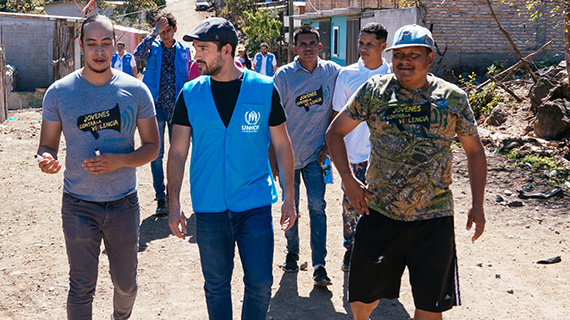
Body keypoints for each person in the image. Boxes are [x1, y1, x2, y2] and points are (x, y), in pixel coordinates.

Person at [326, 24, 487, 320]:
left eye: (414, 54)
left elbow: (475, 151)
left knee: (430, 304)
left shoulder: (452, 98)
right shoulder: (375, 90)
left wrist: (477, 204)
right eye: (399, 54)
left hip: (433, 218)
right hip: (380, 212)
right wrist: (349, 181)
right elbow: (335, 133)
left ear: (429, 58)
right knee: (362, 299)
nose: (405, 60)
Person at [167, 17, 297, 320]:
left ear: (227, 50)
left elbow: (282, 144)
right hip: (209, 207)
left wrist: (288, 195)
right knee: (216, 286)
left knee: (261, 283)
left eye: (203, 49)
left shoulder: (264, 89)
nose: (196, 56)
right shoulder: (190, 94)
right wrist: (174, 203)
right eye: (196, 49)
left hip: (254, 204)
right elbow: (177, 152)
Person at [36, 15, 159, 320]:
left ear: (115, 45)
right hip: (78, 205)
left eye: (106, 43)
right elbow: (46, 145)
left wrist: (120, 160)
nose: (100, 51)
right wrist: (45, 160)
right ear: (81, 46)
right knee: (80, 287)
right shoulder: (59, 93)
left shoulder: (136, 91)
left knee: (127, 286)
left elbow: (153, 147)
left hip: (124, 204)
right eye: (92, 44)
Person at [273, 24, 341, 286]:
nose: (308, 48)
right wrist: (272, 155)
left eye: (312, 43)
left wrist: (329, 145)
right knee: (292, 207)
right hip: (287, 156)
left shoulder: (333, 73)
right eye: (302, 44)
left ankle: (319, 264)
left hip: (316, 156)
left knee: (318, 207)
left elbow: (340, 105)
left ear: (320, 47)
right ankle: (292, 253)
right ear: (295, 49)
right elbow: (272, 117)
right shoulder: (284, 77)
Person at [331, 22, 392, 272]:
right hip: (353, 155)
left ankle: (382, 254)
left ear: (383, 47)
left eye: (369, 44)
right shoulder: (346, 75)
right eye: (360, 43)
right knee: (351, 205)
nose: (363, 49)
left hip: (385, 158)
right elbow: (336, 117)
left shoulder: (394, 75)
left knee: (384, 205)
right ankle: (351, 250)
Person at [134, 11, 191, 216]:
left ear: (175, 30)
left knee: (178, 155)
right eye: (162, 31)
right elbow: (138, 54)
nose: (164, 35)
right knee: (156, 155)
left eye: (168, 30)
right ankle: (160, 198)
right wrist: (153, 32)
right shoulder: (153, 48)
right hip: (155, 108)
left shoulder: (185, 51)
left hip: (178, 111)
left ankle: (172, 196)